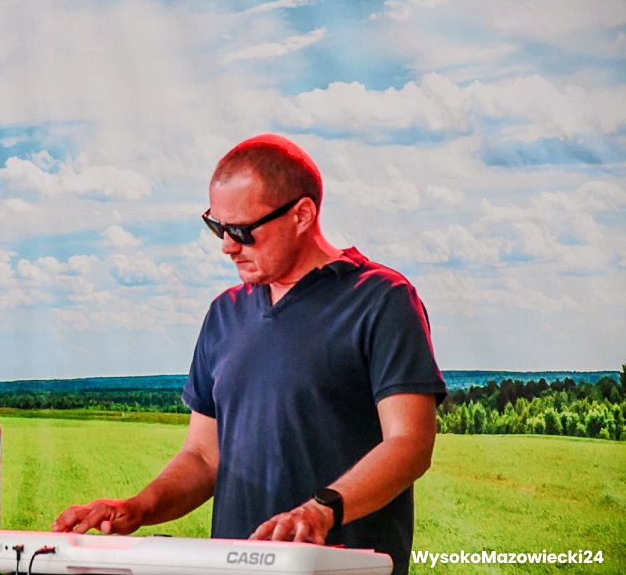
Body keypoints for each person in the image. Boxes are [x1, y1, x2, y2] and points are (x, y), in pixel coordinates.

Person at [53, 133, 447, 574]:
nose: (227, 245)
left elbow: (409, 443)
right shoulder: (224, 314)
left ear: (302, 214)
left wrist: (320, 511)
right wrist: (138, 507)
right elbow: (204, 457)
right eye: (217, 227)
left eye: (242, 230)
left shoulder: (382, 300)